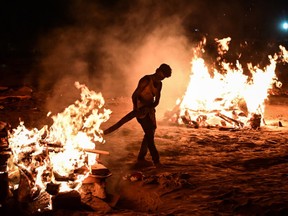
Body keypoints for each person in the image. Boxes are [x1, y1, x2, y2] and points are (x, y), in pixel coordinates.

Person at [132, 63, 172, 168]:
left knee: (150, 132)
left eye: (164, 77)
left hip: (149, 111)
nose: (162, 78)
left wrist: (150, 107)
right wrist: (136, 108)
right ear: (157, 70)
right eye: (162, 74)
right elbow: (135, 95)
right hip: (140, 110)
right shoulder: (146, 80)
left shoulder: (159, 84)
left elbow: (157, 100)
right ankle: (156, 161)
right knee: (149, 134)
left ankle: (141, 158)